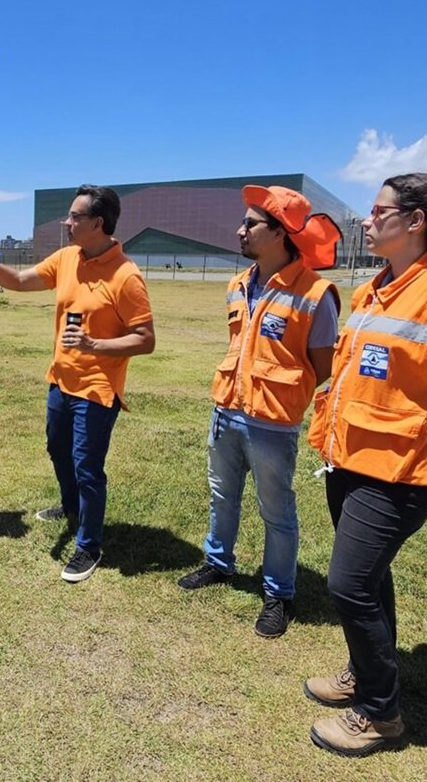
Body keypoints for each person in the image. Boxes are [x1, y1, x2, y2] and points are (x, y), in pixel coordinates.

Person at [304, 173, 427, 757]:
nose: (366, 221)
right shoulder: (376, 289)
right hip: (353, 458)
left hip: (404, 470)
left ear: (416, 220)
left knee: (348, 584)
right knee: (368, 577)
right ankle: (366, 675)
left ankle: (379, 713)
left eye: (377, 211)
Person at [176, 186, 341, 639]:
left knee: (277, 510)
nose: (240, 230)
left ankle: (278, 594)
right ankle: (218, 562)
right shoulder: (238, 285)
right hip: (226, 411)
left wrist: (284, 395)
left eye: (251, 224)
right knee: (222, 496)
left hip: (272, 422)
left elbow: (324, 363)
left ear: (282, 233)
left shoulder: (315, 293)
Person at [0, 184, 155, 582]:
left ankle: (88, 545)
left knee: (88, 466)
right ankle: (72, 509)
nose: (66, 222)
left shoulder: (126, 276)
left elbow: (145, 339)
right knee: (58, 450)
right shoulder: (68, 258)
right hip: (61, 382)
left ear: (97, 223)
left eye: (74, 216)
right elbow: (19, 281)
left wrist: (94, 344)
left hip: (97, 389)